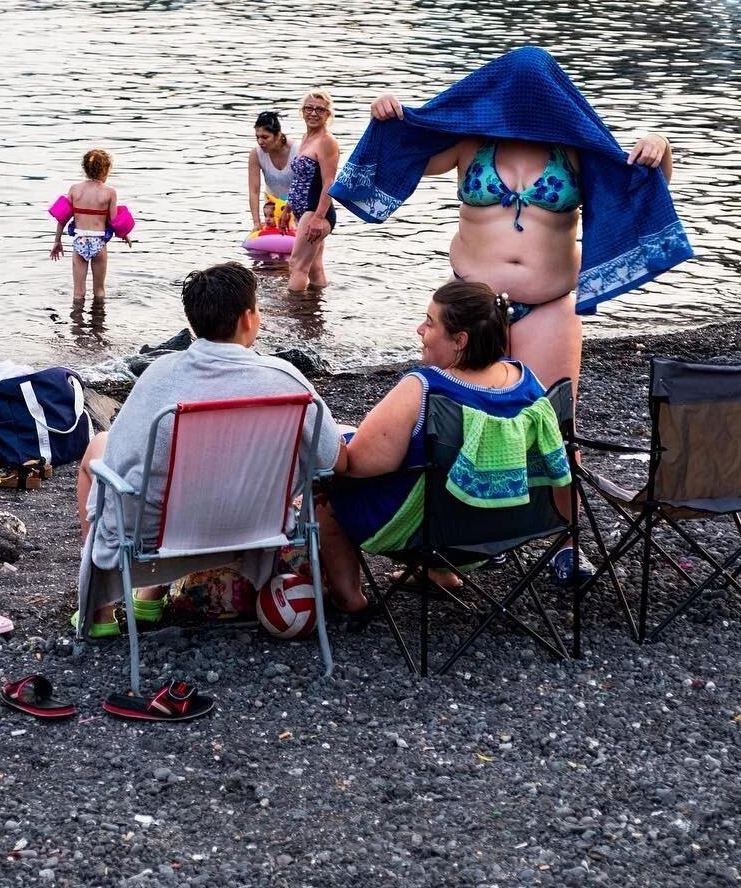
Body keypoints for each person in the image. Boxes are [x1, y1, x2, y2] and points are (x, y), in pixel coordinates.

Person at [331, 46, 691, 583]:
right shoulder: (469, 142)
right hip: (470, 307)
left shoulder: (575, 150)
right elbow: (407, 148)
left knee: (556, 425)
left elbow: (638, 179)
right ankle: (448, 543)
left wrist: (662, 148)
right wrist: (389, 110)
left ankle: (566, 543)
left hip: (546, 305)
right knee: (449, 426)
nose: (524, 104)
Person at [74, 262, 365, 637]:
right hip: (256, 528)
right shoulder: (285, 382)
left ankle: (104, 614)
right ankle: (150, 595)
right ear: (248, 318)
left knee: (101, 448)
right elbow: (332, 461)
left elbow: (124, 460)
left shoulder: (160, 376)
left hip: (158, 538)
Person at [316, 281, 570, 595]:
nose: (419, 329)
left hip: (427, 535)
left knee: (323, 487)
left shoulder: (425, 388)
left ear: (460, 340)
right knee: (432, 471)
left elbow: (357, 464)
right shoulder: (527, 382)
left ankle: (348, 598)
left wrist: (327, 441)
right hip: (502, 530)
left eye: (430, 323)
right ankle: (439, 576)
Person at [50, 149, 129, 301]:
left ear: (85, 169)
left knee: (78, 293)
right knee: (99, 291)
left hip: (80, 241)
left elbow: (62, 217)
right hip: (99, 242)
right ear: (106, 170)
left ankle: (76, 324)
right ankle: (98, 323)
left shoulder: (74, 189)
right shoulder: (110, 192)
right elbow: (114, 221)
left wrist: (57, 241)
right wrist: (125, 235)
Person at [285, 90, 341, 292]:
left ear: (328, 114)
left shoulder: (327, 142)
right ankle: (315, 312)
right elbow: (300, 179)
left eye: (320, 109)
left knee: (296, 265)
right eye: (309, 108)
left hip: (316, 212)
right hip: (303, 211)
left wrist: (318, 218)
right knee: (314, 268)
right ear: (302, 111)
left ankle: (293, 315)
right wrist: (287, 209)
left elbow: (329, 183)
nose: (314, 113)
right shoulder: (307, 137)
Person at [247, 110, 298, 233]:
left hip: (296, 206)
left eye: (265, 137)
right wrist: (257, 222)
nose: (260, 142)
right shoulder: (256, 154)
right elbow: (254, 191)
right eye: (257, 137)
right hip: (272, 209)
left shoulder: (298, 151)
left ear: (278, 135)